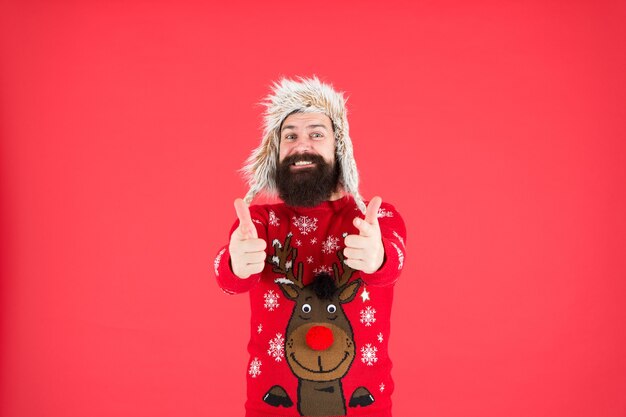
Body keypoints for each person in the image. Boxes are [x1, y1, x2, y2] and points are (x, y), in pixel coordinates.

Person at [213, 76, 406, 417]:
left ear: (339, 148)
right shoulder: (258, 221)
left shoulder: (378, 218)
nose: (302, 146)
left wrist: (377, 257)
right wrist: (236, 263)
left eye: (317, 133)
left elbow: (392, 263)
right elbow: (230, 279)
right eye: (290, 136)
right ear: (276, 152)